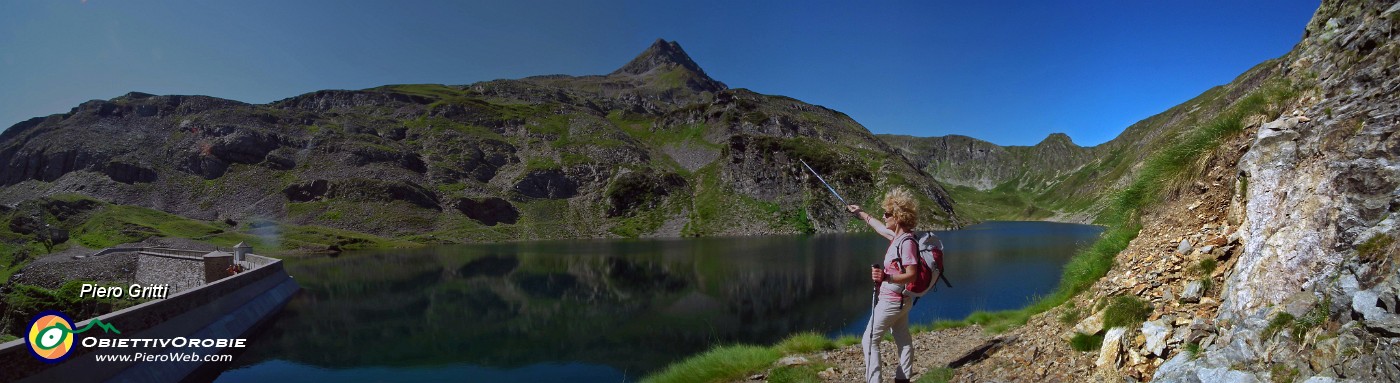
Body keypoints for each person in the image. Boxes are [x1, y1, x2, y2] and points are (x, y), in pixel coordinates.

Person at [847, 187, 920, 383]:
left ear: (898, 217)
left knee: (869, 340)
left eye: (887, 214)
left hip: (891, 301)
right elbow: (879, 227)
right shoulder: (898, 237)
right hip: (901, 301)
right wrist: (861, 213)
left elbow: (912, 275)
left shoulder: (906, 243)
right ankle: (902, 378)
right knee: (902, 338)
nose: (884, 216)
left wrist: (886, 277)